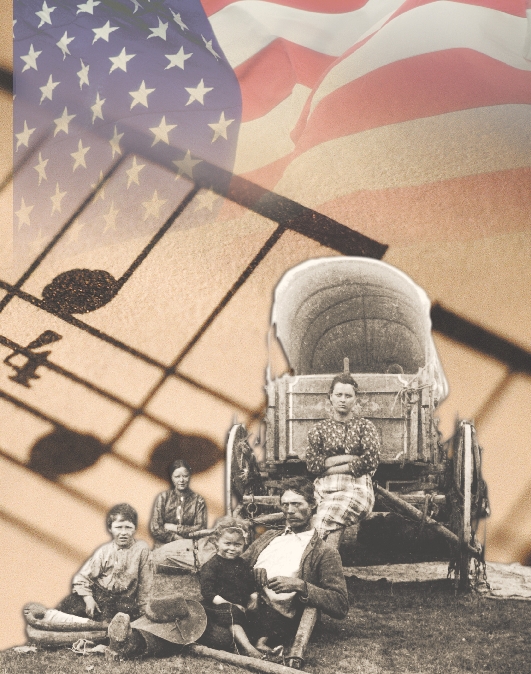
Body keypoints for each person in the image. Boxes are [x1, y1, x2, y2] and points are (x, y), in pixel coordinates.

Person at [242, 477, 348, 652]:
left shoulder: (323, 551)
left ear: (313, 505)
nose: (289, 511)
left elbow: (340, 604)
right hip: (246, 602)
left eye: (297, 504)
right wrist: (250, 574)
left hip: (277, 617)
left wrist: (301, 586)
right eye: (285, 505)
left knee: (220, 635)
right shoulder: (270, 537)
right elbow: (231, 567)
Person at [305, 373, 381, 547]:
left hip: (357, 487)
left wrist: (328, 464)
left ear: (355, 399)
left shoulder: (365, 427)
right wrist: (350, 458)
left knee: (323, 520)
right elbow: (312, 464)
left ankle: (319, 569)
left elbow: (369, 461)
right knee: (326, 520)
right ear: (330, 397)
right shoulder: (319, 429)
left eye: (348, 396)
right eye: (338, 395)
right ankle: (328, 570)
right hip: (325, 488)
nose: (343, 400)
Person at [56, 503, 152, 622]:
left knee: (107, 625)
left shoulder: (142, 550)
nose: (123, 532)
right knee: (65, 609)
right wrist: (89, 599)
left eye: (128, 527)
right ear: (110, 529)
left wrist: (144, 610)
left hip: (122, 602)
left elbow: (146, 584)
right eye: (118, 527)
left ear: (134, 529)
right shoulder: (104, 551)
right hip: (98, 594)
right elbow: (82, 578)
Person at [199, 517, 262, 658]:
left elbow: (250, 584)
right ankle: (248, 648)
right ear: (217, 543)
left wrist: (253, 596)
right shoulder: (211, 565)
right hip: (217, 606)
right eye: (227, 543)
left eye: (237, 545)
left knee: (263, 610)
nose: (232, 548)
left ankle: (261, 642)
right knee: (231, 612)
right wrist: (230, 604)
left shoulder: (243, 564)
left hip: (240, 605)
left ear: (244, 545)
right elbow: (208, 591)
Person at [150, 459, 215, 572]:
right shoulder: (163, 498)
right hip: (165, 545)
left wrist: (176, 528)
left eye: (185, 476)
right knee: (156, 561)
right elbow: (156, 528)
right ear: (171, 477)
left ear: (189, 477)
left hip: (190, 547)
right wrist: (175, 537)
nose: (181, 480)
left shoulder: (198, 500)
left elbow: (200, 528)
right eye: (177, 476)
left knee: (207, 561)